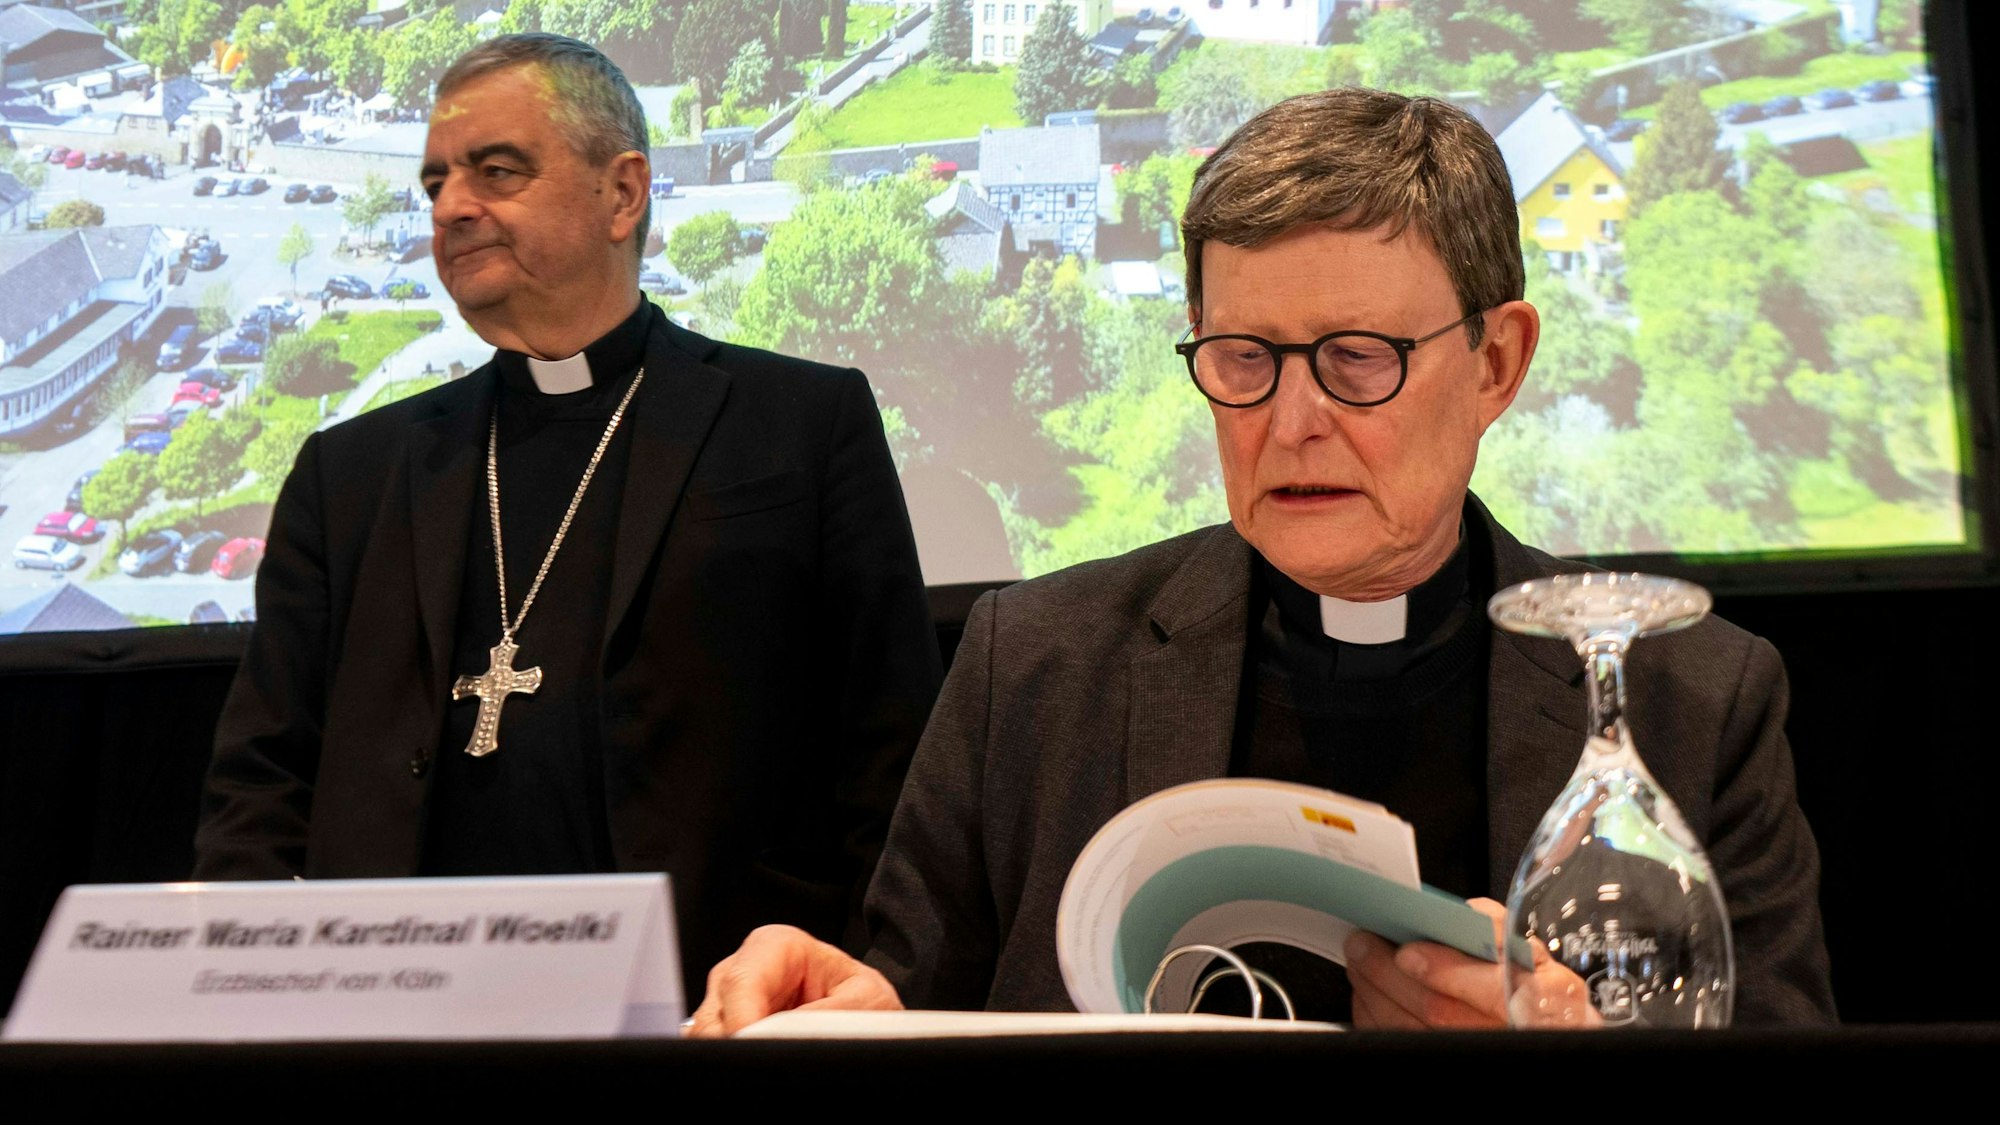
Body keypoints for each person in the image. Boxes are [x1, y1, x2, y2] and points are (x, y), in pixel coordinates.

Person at [690, 88, 1836, 1034]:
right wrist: (837, 1015)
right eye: (1242, 358)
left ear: (1496, 361)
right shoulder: (1032, 665)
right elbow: (913, 1000)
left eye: (1356, 358)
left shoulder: (1690, 698)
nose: (1288, 422)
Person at [193, 35, 942, 994]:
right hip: (392, 1030)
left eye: (497, 171)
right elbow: (260, 784)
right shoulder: (351, 474)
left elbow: (897, 756)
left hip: (715, 1010)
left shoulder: (799, 426)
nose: (453, 205)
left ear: (622, 192)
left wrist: (863, 988)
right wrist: (252, 1003)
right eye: (436, 184)